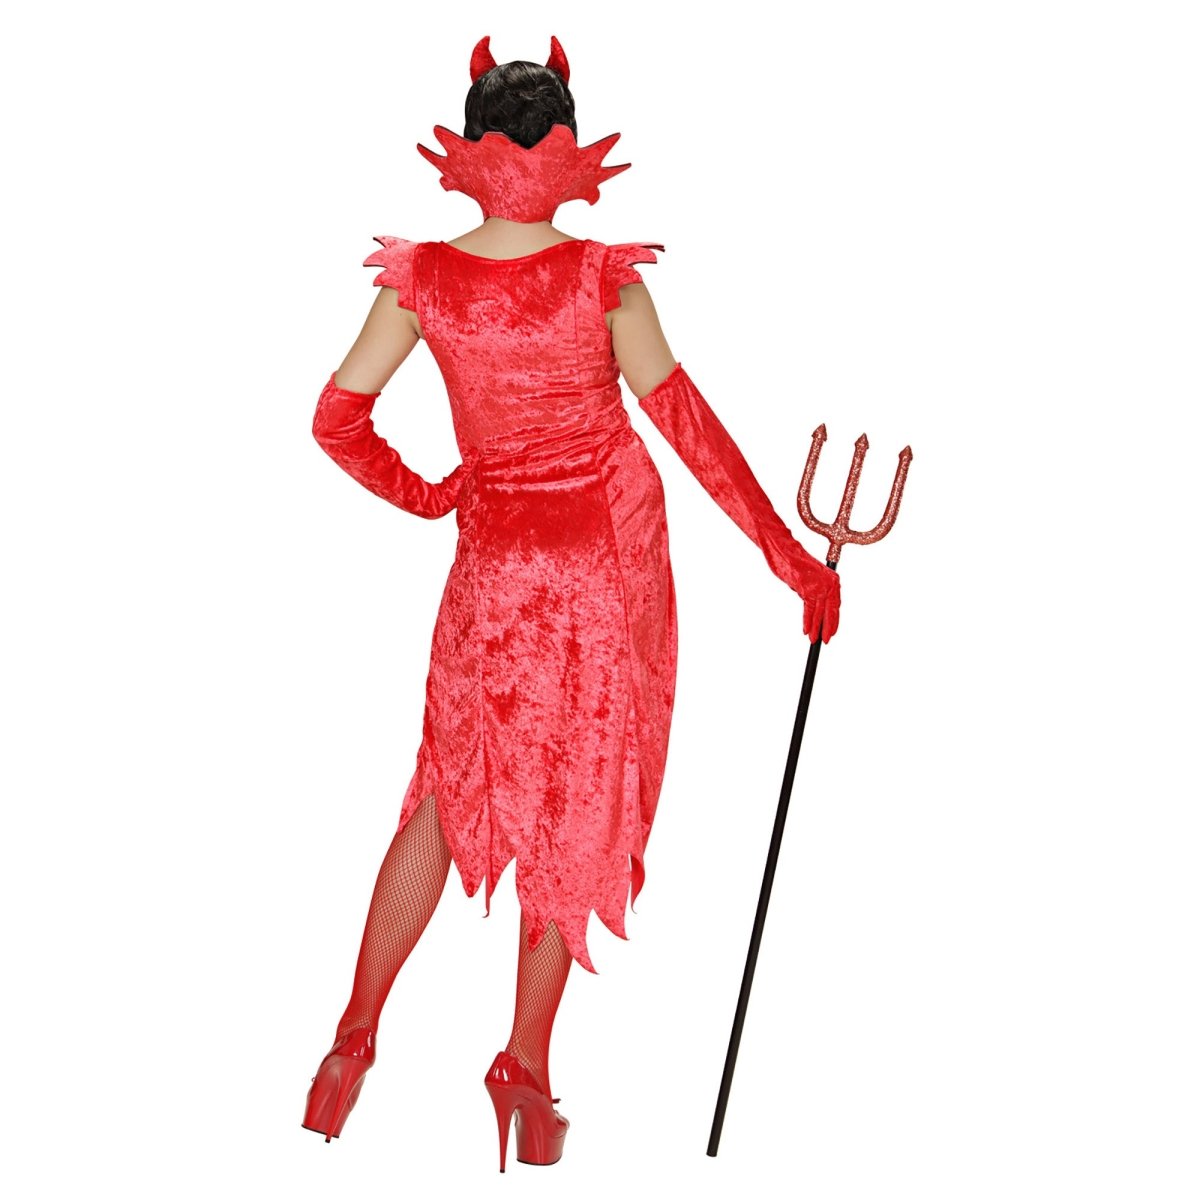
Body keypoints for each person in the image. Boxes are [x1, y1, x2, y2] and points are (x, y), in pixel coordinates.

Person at [301, 34, 841, 1171]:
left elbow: (337, 421)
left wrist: (432, 492)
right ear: (569, 145)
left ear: (470, 145)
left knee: (446, 788)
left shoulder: (426, 280)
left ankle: (352, 1041)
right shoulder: (600, 277)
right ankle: (526, 1069)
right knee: (573, 802)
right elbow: (687, 428)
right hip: (601, 568)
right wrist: (791, 561)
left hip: (494, 568)